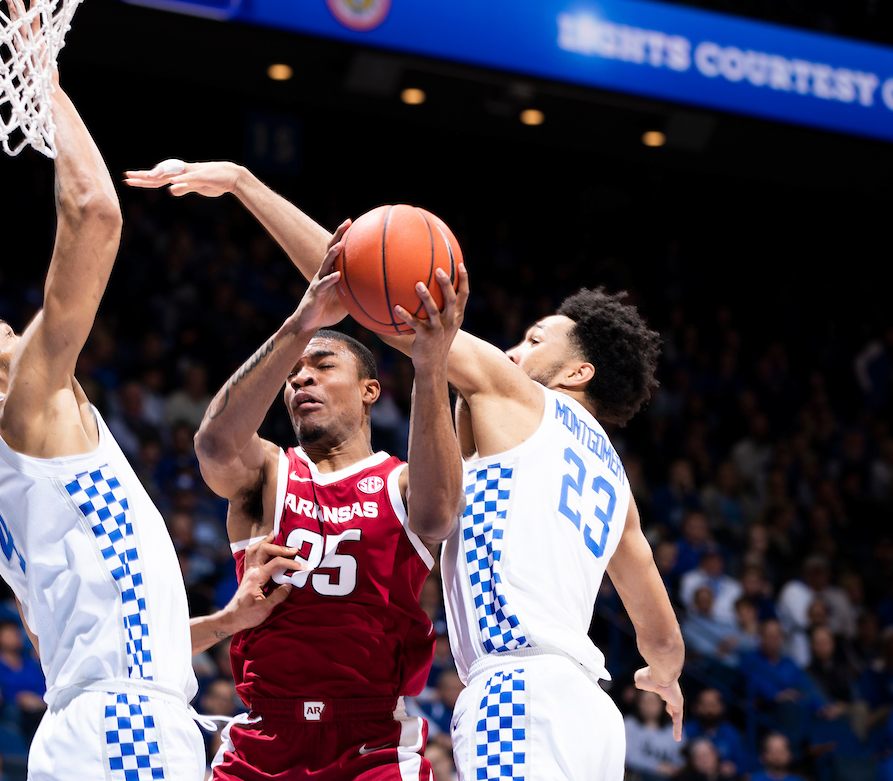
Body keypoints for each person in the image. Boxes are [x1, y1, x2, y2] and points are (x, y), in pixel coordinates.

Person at [127, 158, 685, 781]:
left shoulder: (516, 395)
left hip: (517, 691)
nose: (510, 351)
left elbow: (366, 289)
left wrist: (246, 187)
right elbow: (662, 640)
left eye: (533, 340)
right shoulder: (617, 484)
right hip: (593, 712)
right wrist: (661, 678)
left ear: (578, 373)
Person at [0, 29, 297, 781]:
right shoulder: (23, 415)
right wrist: (40, 70)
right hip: (125, 730)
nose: (24, 331)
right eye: (3, 330)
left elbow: (65, 645)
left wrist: (225, 623)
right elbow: (95, 212)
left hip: (94, 725)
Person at [191, 230, 466, 778]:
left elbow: (440, 515)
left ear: (369, 391)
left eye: (322, 366)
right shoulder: (268, 472)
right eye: (295, 373)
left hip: (373, 739)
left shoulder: (403, 481)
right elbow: (214, 445)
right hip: (264, 734)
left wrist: (431, 369)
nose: (300, 379)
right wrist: (301, 326)